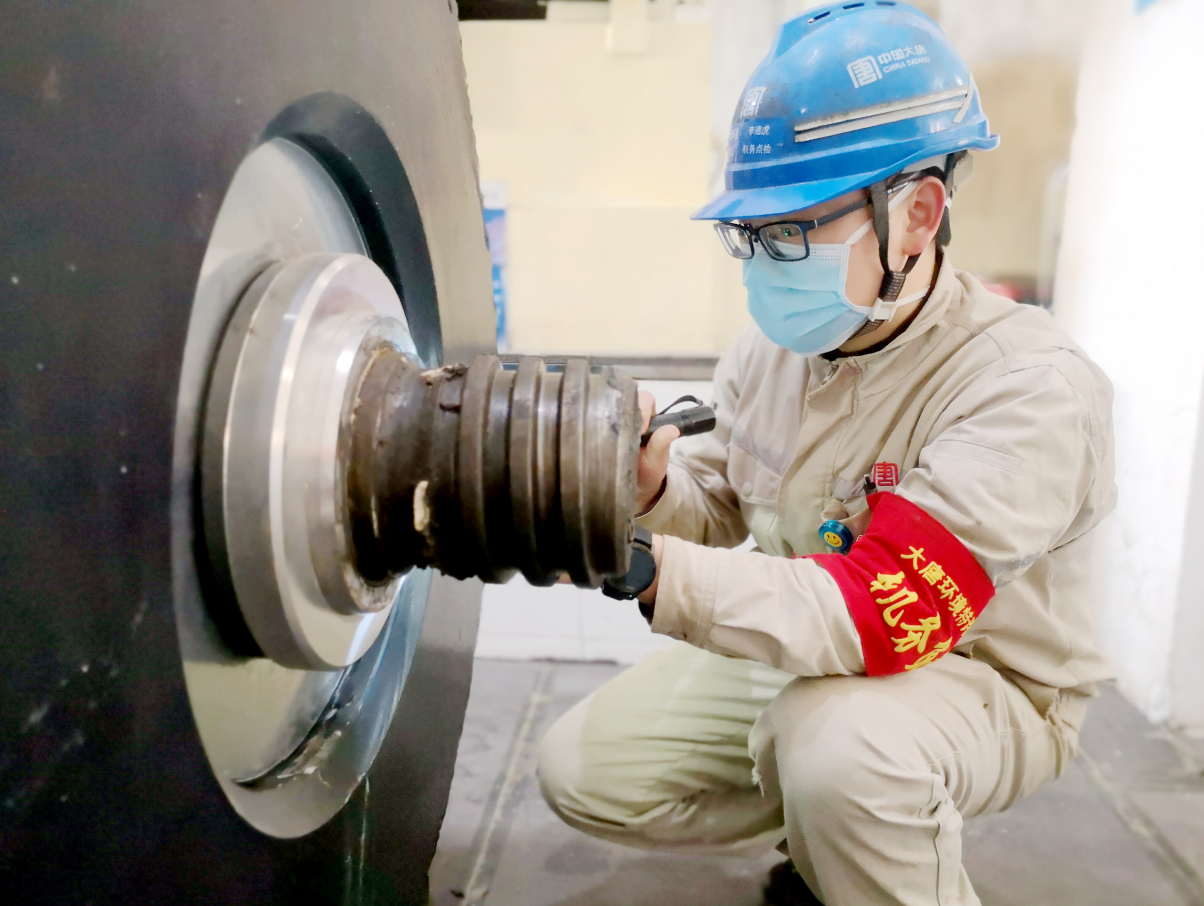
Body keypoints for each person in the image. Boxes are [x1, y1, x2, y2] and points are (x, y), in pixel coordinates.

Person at [535, 3, 1117, 905]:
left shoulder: (1026, 386)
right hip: (816, 640)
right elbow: (721, 504)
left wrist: (648, 571)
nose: (763, 265)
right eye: (750, 235)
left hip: (977, 674)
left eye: (793, 230)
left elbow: (885, 608)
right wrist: (652, 493)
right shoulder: (778, 349)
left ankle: (860, 815)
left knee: (842, 750)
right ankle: (837, 833)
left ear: (916, 215)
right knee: (584, 771)